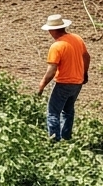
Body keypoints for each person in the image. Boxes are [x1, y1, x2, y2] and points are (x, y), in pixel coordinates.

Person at [36, 14, 90, 142]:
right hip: (77, 82)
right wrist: (84, 73)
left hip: (63, 83)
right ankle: (66, 138)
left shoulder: (57, 46)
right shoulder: (77, 39)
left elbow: (51, 70)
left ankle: (54, 142)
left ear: (53, 30)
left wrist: (41, 86)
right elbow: (87, 57)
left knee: (53, 113)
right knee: (68, 111)